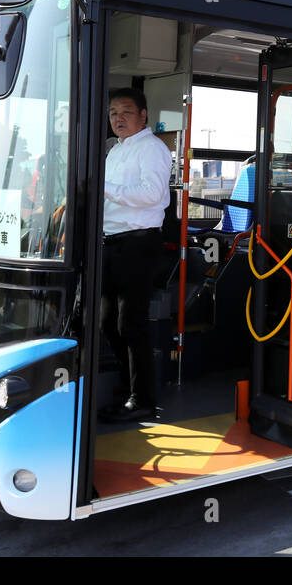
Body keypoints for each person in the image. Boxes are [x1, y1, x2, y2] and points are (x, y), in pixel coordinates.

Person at [98, 87, 173, 423]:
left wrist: (103, 186)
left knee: (131, 324)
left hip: (139, 243)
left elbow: (151, 194)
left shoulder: (152, 148)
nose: (118, 118)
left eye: (126, 111)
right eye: (114, 112)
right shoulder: (115, 151)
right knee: (107, 324)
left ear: (143, 115)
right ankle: (131, 388)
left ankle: (143, 400)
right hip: (112, 241)